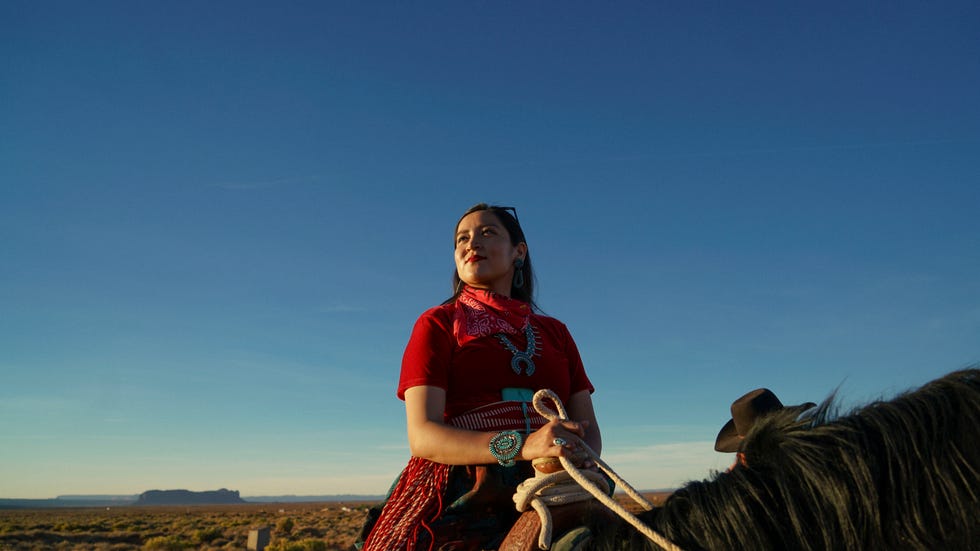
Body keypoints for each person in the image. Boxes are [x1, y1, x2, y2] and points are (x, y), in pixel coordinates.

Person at [357, 203, 603, 551]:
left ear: (519, 252)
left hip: (556, 474)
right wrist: (523, 446)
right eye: (462, 239)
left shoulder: (556, 333)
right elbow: (423, 436)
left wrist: (575, 457)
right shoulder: (438, 323)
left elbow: (588, 428)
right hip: (465, 484)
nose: (471, 244)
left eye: (487, 233)